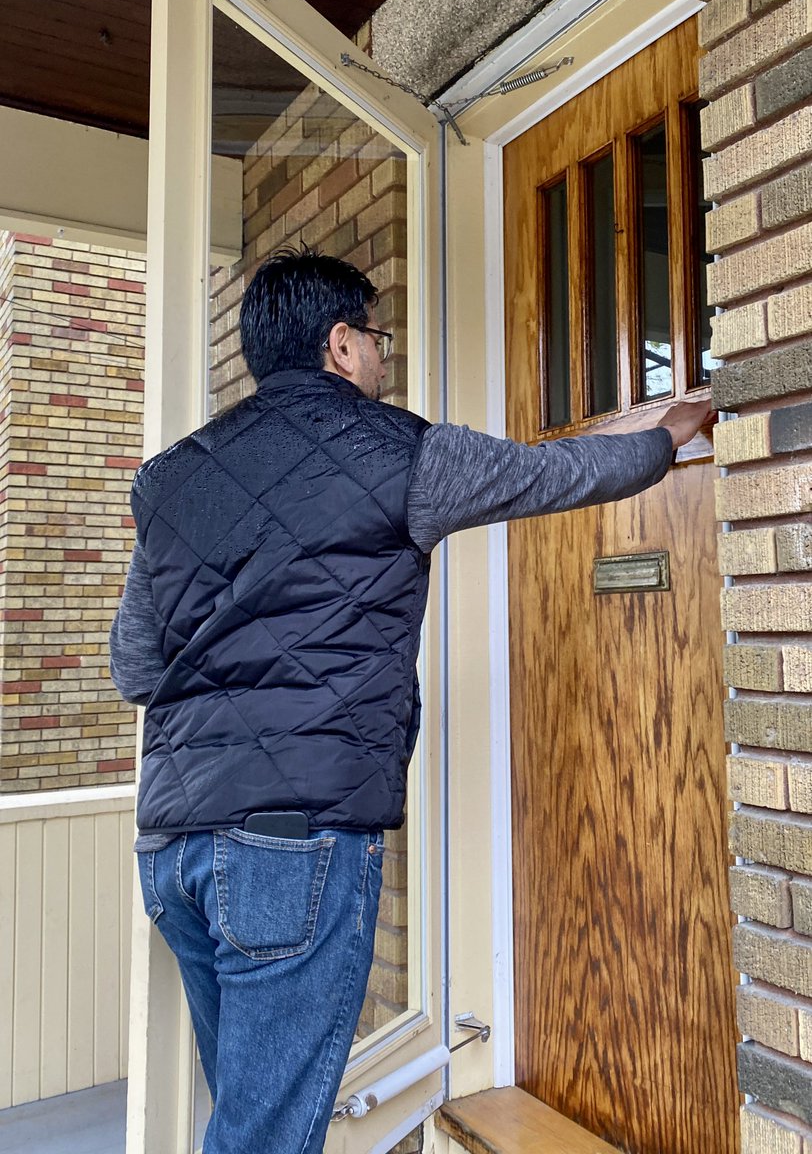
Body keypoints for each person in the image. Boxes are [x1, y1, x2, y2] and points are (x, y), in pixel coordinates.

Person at [110, 247, 713, 1154]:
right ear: (341, 343)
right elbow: (553, 475)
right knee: (263, 1136)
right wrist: (668, 434)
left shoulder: (169, 480)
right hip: (288, 846)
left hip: (172, 850)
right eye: (377, 337)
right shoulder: (403, 451)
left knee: (246, 1111)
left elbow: (137, 671)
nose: (384, 359)